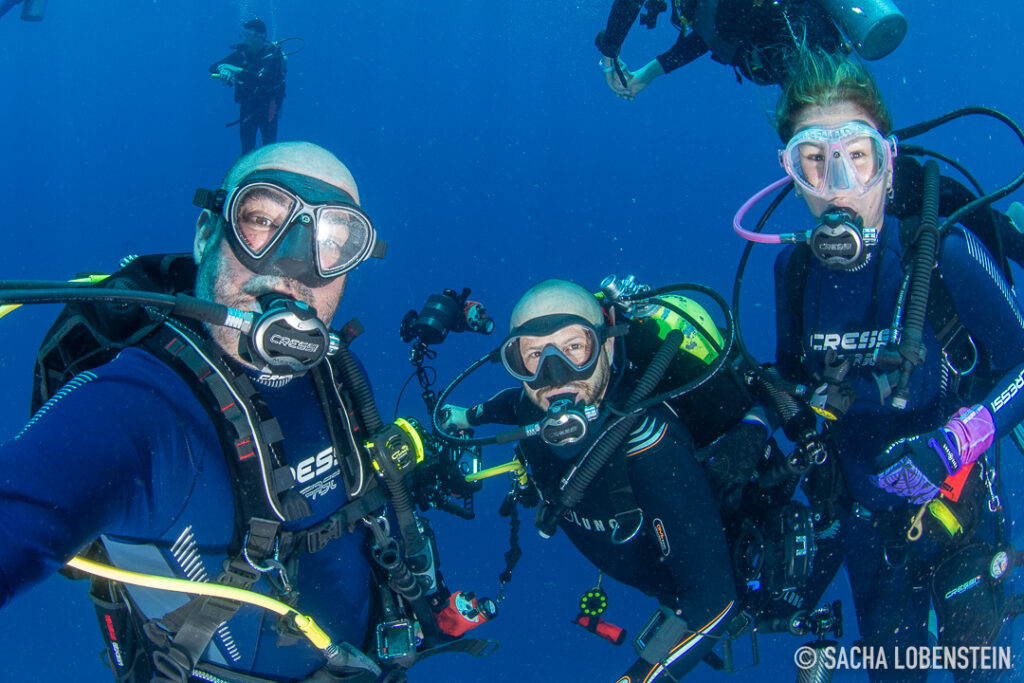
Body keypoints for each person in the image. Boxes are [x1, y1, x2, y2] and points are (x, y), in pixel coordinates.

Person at [0, 142, 494, 683]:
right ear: (207, 232)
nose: (295, 265)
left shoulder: (340, 377)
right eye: (262, 219)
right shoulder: (135, 410)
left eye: (334, 241)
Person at [760, 50, 1024, 681]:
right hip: (865, 520)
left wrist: (961, 440)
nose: (840, 184)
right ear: (791, 175)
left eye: (857, 155)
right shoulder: (792, 271)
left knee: (978, 670)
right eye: (813, 161)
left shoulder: (943, 256)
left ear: (889, 159)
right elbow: (797, 381)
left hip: (962, 510)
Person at [441, 278, 761, 681]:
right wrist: (467, 416)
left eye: (575, 347)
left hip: (703, 586)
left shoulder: (649, 448)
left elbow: (713, 602)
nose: (554, 375)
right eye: (534, 354)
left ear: (607, 344)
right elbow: (514, 404)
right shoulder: (530, 406)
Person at [594, 0, 848, 101]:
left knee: (825, 113)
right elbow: (714, 32)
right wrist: (649, 73)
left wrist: (610, 55)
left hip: (783, 37)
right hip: (799, 38)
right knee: (836, 106)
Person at [210, 18, 287, 153]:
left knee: (269, 149)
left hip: (268, 106)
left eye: (248, 35)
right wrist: (223, 70)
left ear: (261, 36)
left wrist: (236, 70)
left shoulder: (273, 55)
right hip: (248, 106)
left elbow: (264, 78)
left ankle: (268, 172)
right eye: (242, 35)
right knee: (246, 150)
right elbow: (213, 67)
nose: (244, 39)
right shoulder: (241, 55)